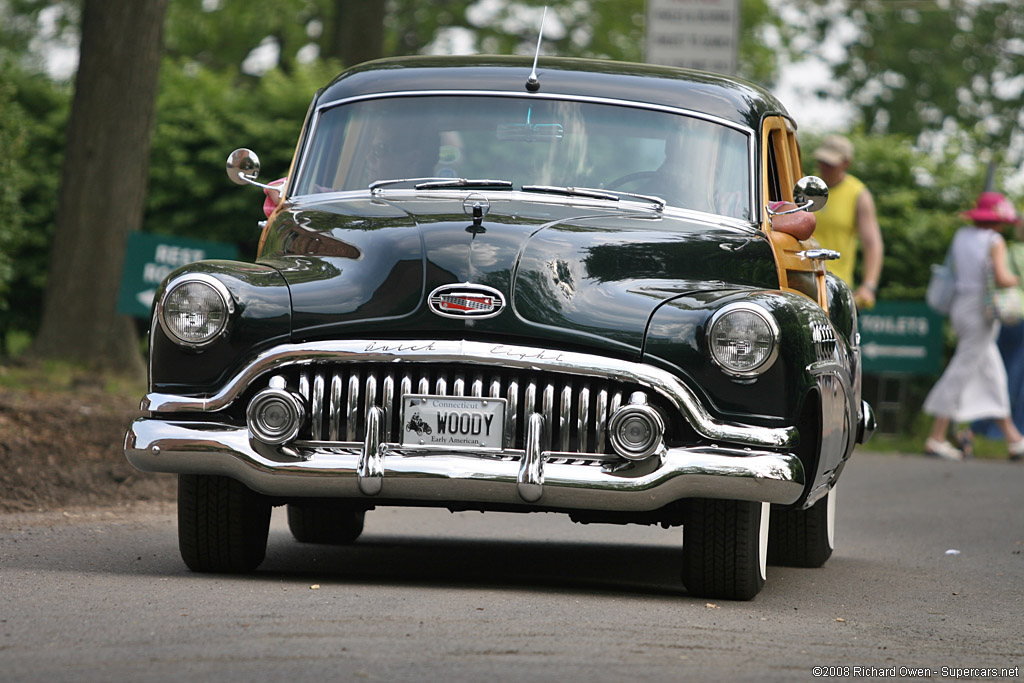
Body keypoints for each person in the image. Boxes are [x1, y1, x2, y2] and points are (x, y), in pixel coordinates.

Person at [921, 191, 1024, 461]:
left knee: (993, 373)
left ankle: (1013, 439)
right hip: (982, 310)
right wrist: (1017, 279)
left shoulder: (961, 236)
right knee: (962, 369)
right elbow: (1002, 278)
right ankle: (936, 436)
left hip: (960, 306)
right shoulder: (995, 240)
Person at [813, 135, 884, 308]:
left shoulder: (858, 194)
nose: (825, 167)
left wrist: (868, 286)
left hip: (835, 286)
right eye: (822, 161)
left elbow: (872, 243)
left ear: (846, 163)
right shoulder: (808, 186)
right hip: (801, 279)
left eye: (831, 163)